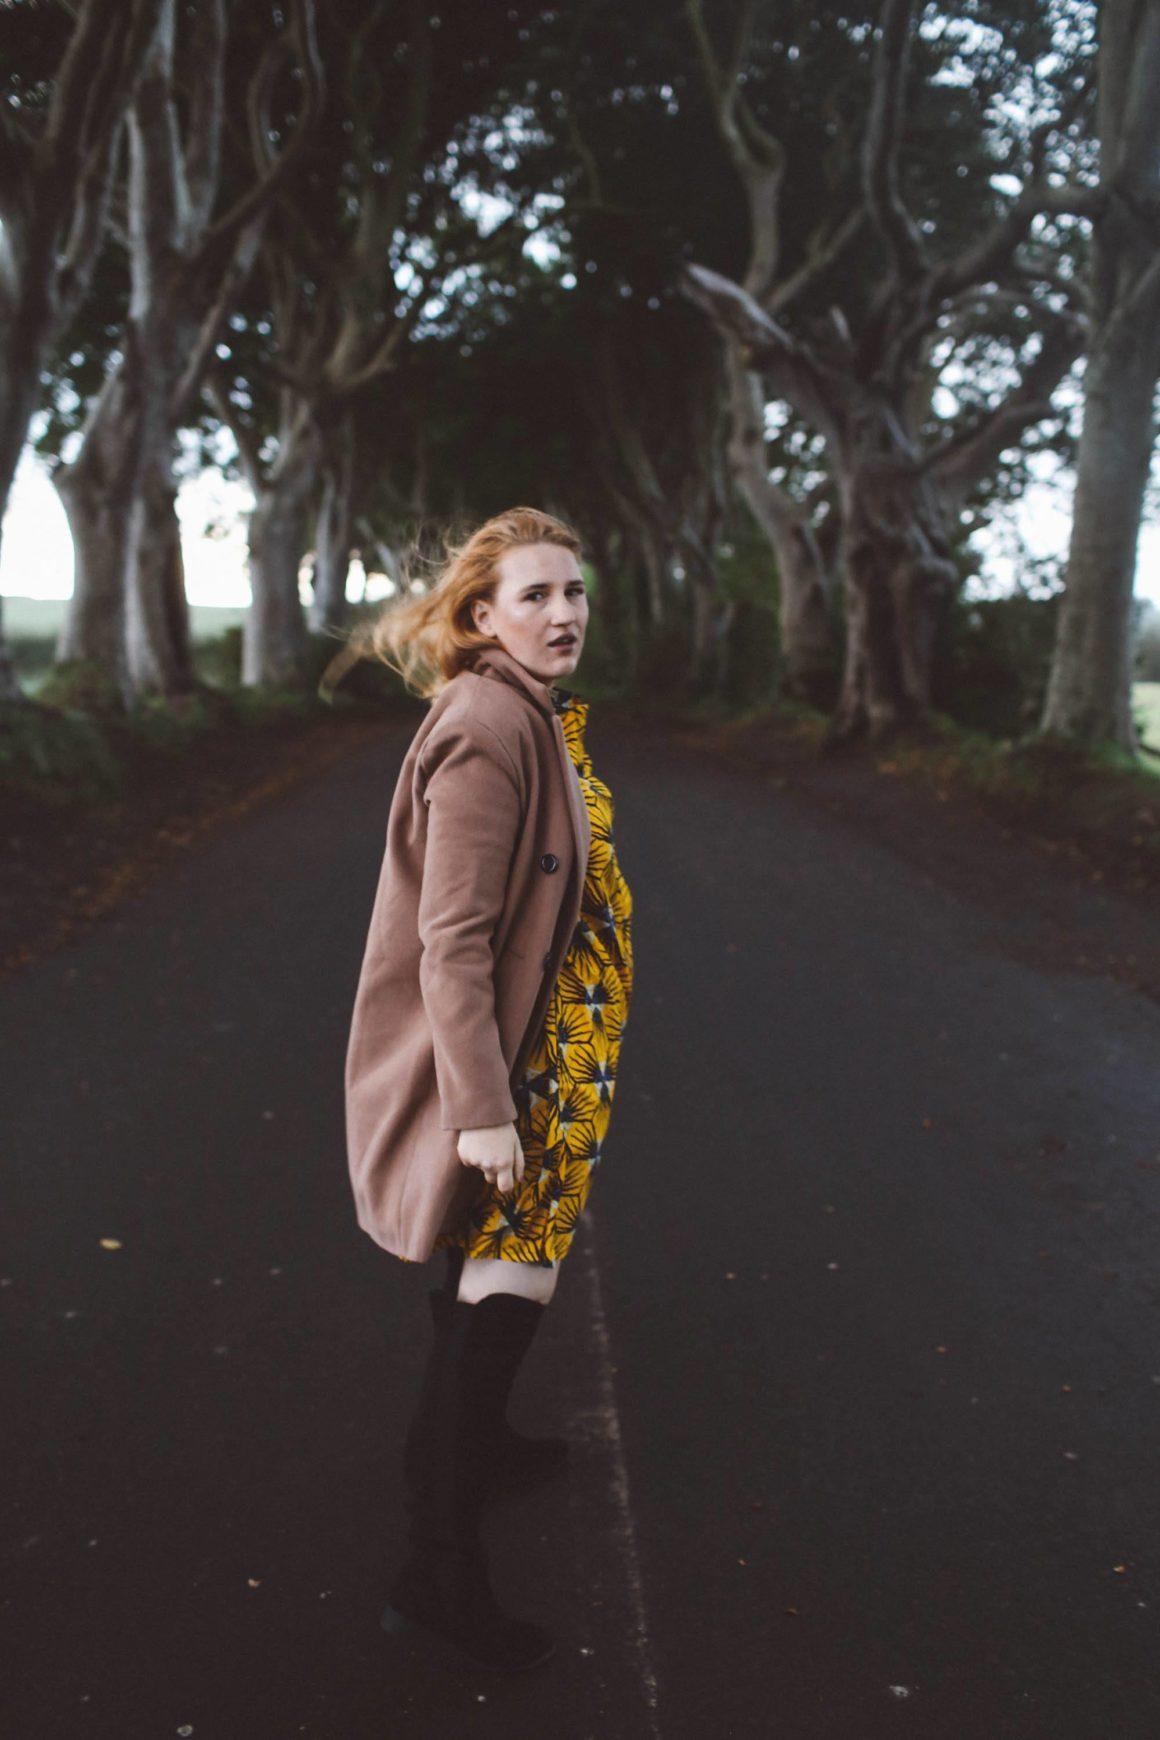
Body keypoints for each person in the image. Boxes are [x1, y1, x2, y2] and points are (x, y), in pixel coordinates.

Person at [342, 507, 635, 1673]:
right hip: (522, 1066)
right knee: (510, 1283)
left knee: (485, 1266)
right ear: (478, 615)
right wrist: (479, 1112)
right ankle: (436, 1569)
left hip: (558, 1047)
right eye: (534, 596)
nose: (562, 613)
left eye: (574, 592)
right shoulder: (484, 725)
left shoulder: (527, 708)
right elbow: (449, 943)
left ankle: (474, 1450)